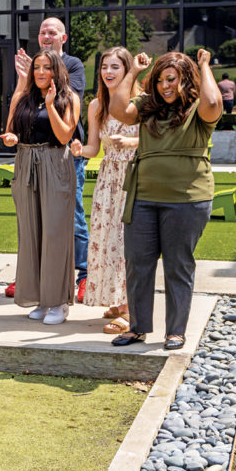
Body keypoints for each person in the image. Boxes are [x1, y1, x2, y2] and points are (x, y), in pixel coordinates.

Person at [108, 50, 222, 350]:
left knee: (177, 264)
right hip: (143, 196)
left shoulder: (198, 108)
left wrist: (204, 66)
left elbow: (213, 103)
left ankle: (175, 331)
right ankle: (137, 328)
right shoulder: (148, 106)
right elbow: (118, 110)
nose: (164, 86)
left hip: (187, 200)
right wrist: (133, 71)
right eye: (159, 80)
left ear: (186, 79)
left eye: (171, 79)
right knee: (137, 262)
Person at [5, 17, 89, 302]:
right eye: (42, 32)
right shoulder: (30, 80)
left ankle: (82, 275)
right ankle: (34, 282)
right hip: (29, 158)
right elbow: (17, 112)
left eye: (52, 32)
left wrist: (40, 74)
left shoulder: (73, 66)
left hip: (61, 155)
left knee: (67, 221)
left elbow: (68, 105)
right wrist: (26, 77)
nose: (46, 35)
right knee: (32, 224)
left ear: (63, 38)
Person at [69, 47, 140, 333]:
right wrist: (79, 150)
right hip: (108, 180)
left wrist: (131, 144)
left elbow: (154, 142)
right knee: (108, 240)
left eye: (115, 67)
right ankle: (119, 301)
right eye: (104, 67)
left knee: (129, 243)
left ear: (127, 71)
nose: (108, 73)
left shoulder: (141, 101)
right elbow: (94, 149)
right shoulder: (97, 105)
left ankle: (131, 310)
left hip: (134, 177)